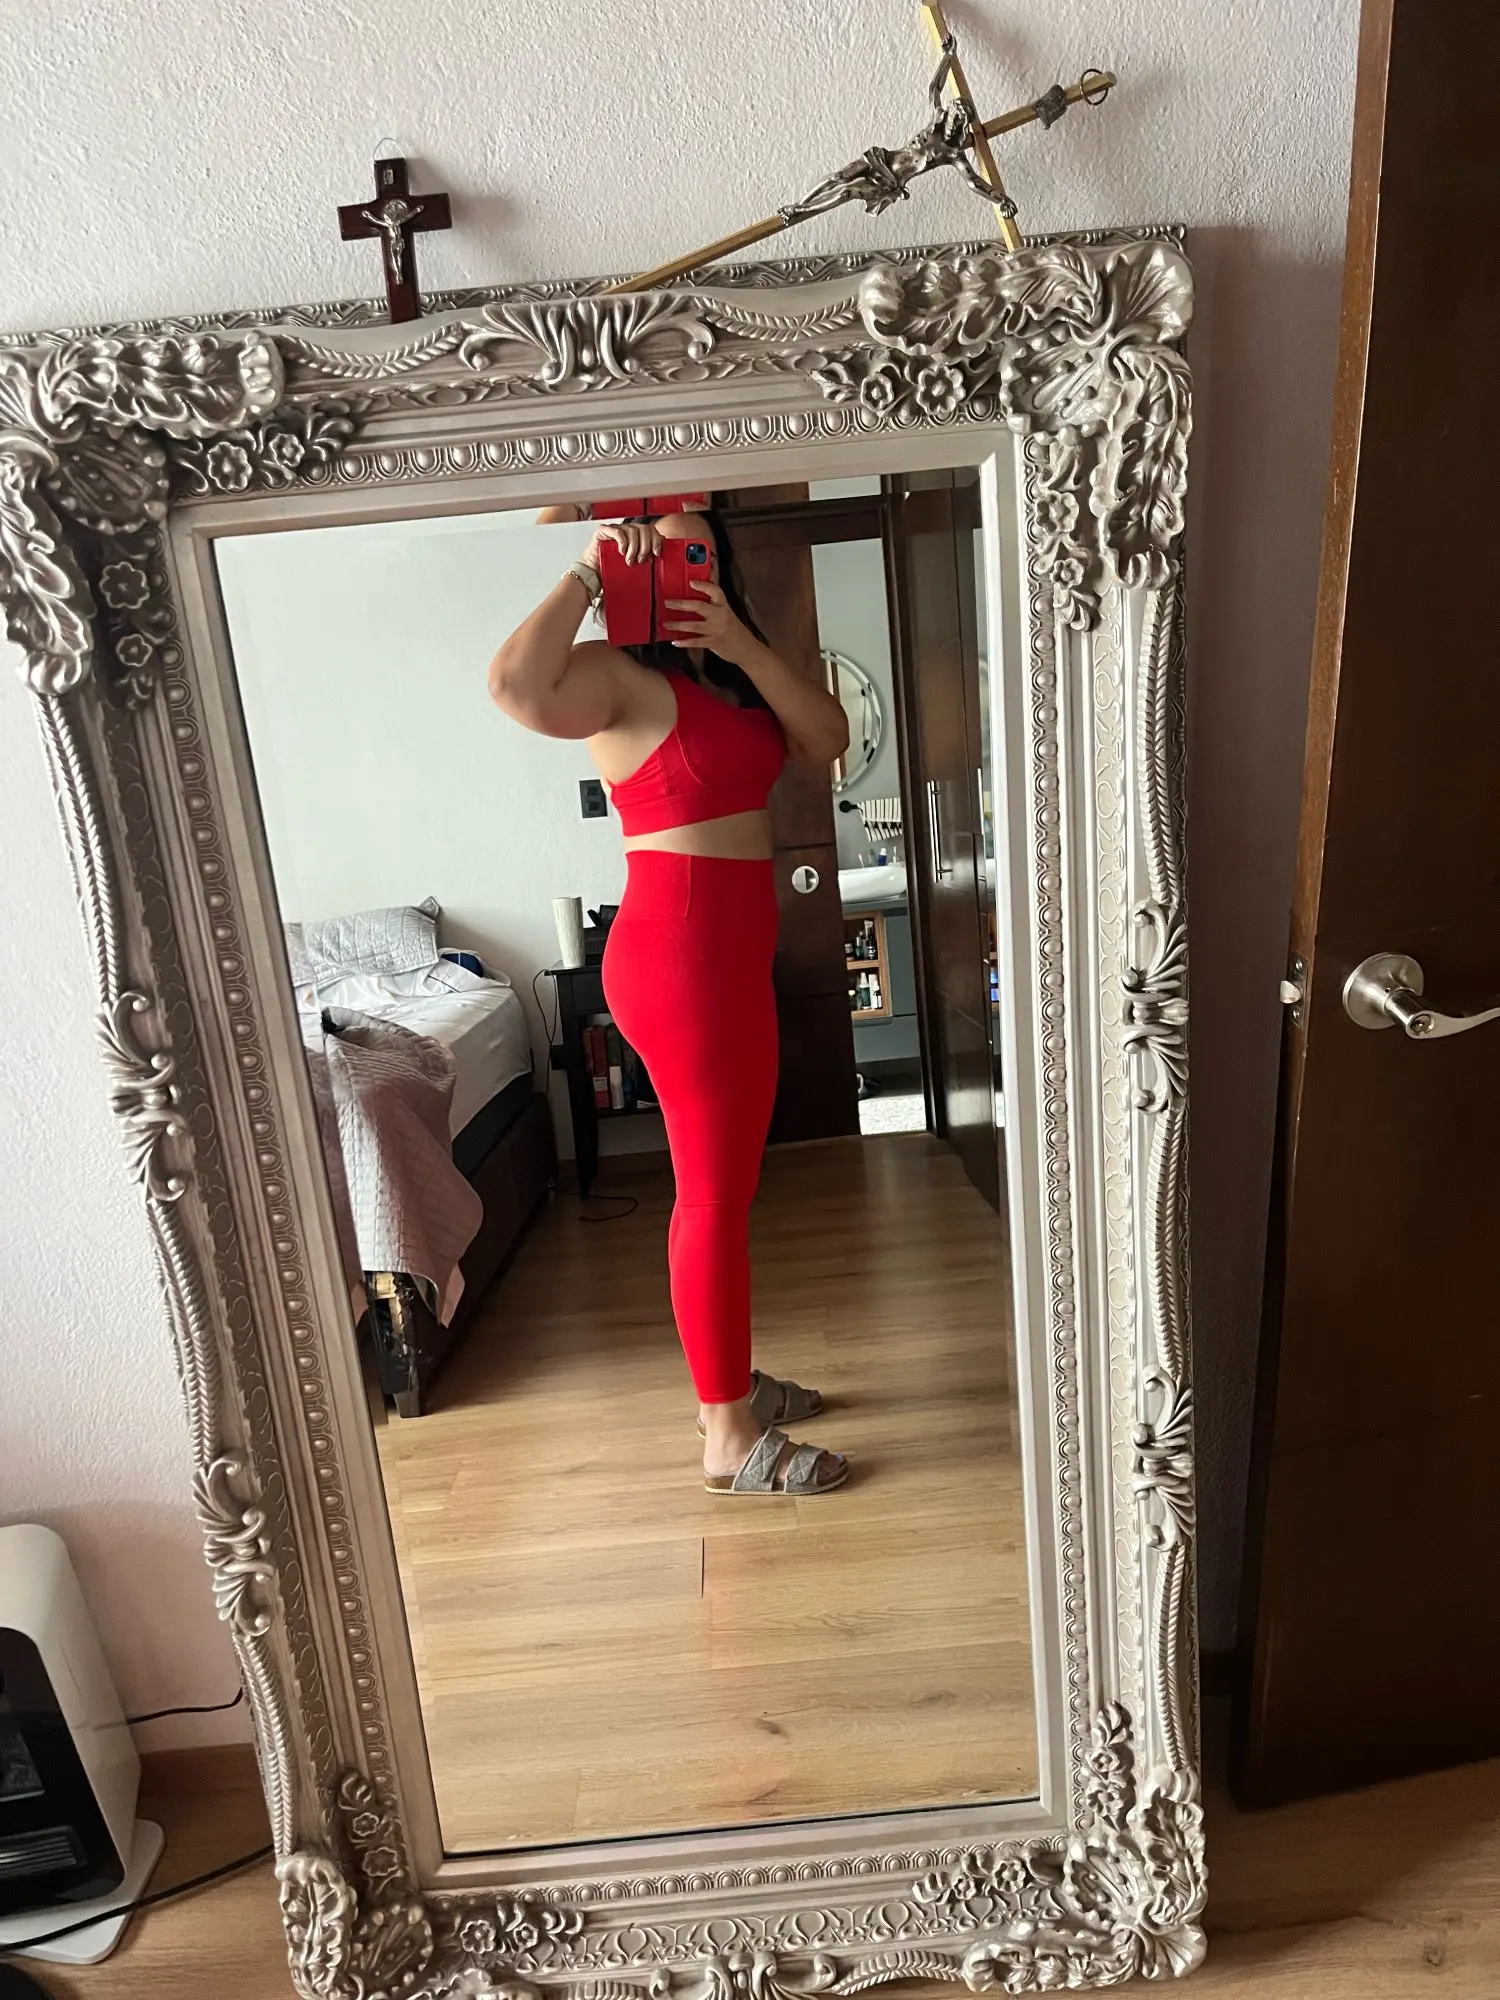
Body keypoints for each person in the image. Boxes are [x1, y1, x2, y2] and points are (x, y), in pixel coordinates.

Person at [488, 505, 852, 1496]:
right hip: (678, 958)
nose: (680, 562)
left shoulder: (729, 676)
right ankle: (727, 1435)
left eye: (699, 549)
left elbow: (826, 737)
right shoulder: (615, 676)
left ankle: (727, 1384)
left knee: (729, 1187)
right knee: (711, 1194)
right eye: (660, 548)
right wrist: (586, 571)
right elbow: (514, 684)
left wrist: (738, 640)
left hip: (731, 954)